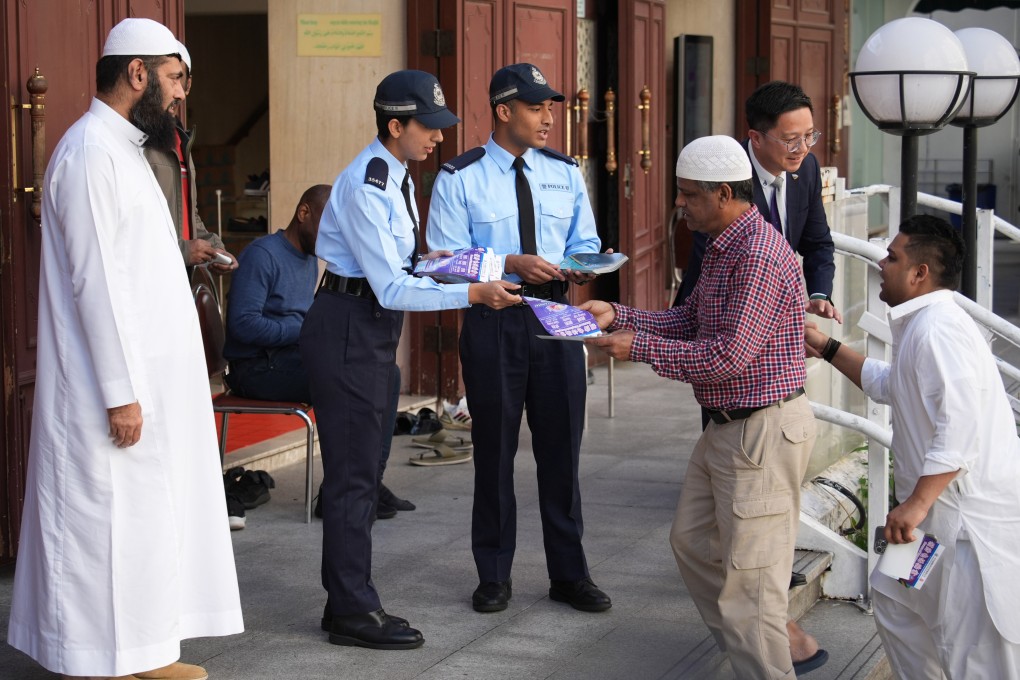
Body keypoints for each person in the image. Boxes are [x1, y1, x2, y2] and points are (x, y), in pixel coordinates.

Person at [7, 18, 243, 680]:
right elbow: (96, 285)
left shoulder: (126, 152)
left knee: (142, 523)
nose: (178, 96)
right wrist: (121, 392)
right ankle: (106, 660)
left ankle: (143, 652)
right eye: (172, 79)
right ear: (136, 73)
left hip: (149, 384)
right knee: (104, 524)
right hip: (108, 389)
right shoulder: (89, 155)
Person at [582, 135, 818, 679]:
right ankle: (759, 648)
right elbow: (688, 323)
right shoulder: (722, 244)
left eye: (689, 196)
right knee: (691, 544)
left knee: (750, 589)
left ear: (726, 193)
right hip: (726, 428)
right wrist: (615, 315)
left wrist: (635, 347)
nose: (680, 206)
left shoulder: (756, 254)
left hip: (760, 429)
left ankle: (766, 655)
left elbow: (728, 357)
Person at [300, 69, 521, 651]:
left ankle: (345, 599)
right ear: (395, 125)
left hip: (368, 326)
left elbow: (398, 269)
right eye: (428, 127)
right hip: (350, 326)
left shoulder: (397, 175)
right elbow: (392, 288)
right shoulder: (370, 183)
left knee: (366, 469)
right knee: (353, 477)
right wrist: (472, 292)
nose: (439, 139)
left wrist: (437, 260)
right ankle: (352, 609)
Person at [427, 63, 611, 616]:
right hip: (494, 321)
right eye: (536, 108)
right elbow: (440, 261)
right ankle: (494, 575)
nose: (548, 119)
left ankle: (569, 575)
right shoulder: (459, 178)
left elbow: (586, 239)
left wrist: (580, 266)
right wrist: (506, 262)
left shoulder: (565, 172)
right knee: (494, 454)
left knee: (563, 454)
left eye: (550, 107)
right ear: (504, 111)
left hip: (555, 317)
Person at [804, 215, 1020, 679]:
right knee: (893, 599)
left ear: (920, 273)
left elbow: (960, 425)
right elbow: (892, 384)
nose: (882, 262)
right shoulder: (923, 322)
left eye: (893, 256)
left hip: (966, 530)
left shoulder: (939, 328)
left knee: (976, 654)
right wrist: (824, 346)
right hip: (928, 521)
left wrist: (916, 504)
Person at [675, 81, 839, 324]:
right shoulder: (724, 177)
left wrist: (819, 292)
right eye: (791, 140)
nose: (803, 149)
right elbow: (710, 271)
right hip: (716, 315)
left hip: (772, 318)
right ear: (756, 138)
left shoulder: (808, 169)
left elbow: (817, 242)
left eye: (809, 136)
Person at [224, 184, 330, 403]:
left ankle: (371, 440)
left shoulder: (310, 258)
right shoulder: (262, 255)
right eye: (328, 227)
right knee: (343, 381)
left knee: (381, 373)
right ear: (304, 213)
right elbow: (242, 324)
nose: (332, 237)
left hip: (289, 356)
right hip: (254, 367)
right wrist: (301, 331)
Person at [144, 40, 237, 273]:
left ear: (189, 84)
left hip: (179, 277)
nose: (176, 92)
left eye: (179, 79)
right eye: (170, 79)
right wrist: (184, 251)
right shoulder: (138, 140)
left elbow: (187, 214)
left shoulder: (180, 140)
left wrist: (214, 248)